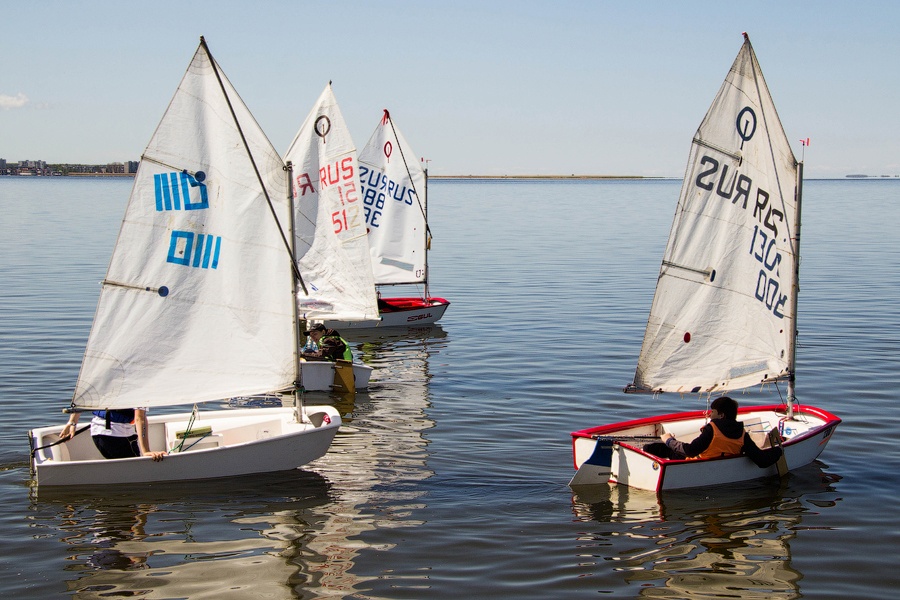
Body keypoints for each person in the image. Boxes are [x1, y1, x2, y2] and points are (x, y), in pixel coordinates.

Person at [643, 396, 780, 466]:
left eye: (712, 412)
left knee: (653, 448)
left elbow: (690, 451)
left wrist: (668, 440)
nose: (709, 415)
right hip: (719, 467)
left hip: (696, 466)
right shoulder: (742, 434)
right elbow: (762, 460)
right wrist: (779, 450)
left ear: (721, 415)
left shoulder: (712, 429)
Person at [60, 408, 166, 461]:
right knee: (134, 471)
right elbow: (139, 418)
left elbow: (86, 395)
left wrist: (72, 422)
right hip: (115, 435)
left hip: (97, 431)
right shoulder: (138, 385)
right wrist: (146, 451)